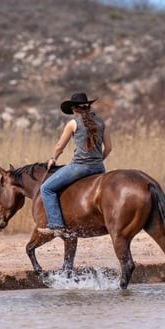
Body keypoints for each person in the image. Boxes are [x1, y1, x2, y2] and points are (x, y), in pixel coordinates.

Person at [38, 92, 112, 236]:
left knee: (46, 188)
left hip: (79, 168)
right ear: (88, 107)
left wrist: (53, 158)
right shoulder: (102, 122)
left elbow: (60, 146)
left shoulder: (73, 123)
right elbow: (108, 148)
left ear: (74, 109)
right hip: (99, 168)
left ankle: (56, 225)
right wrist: (97, 161)